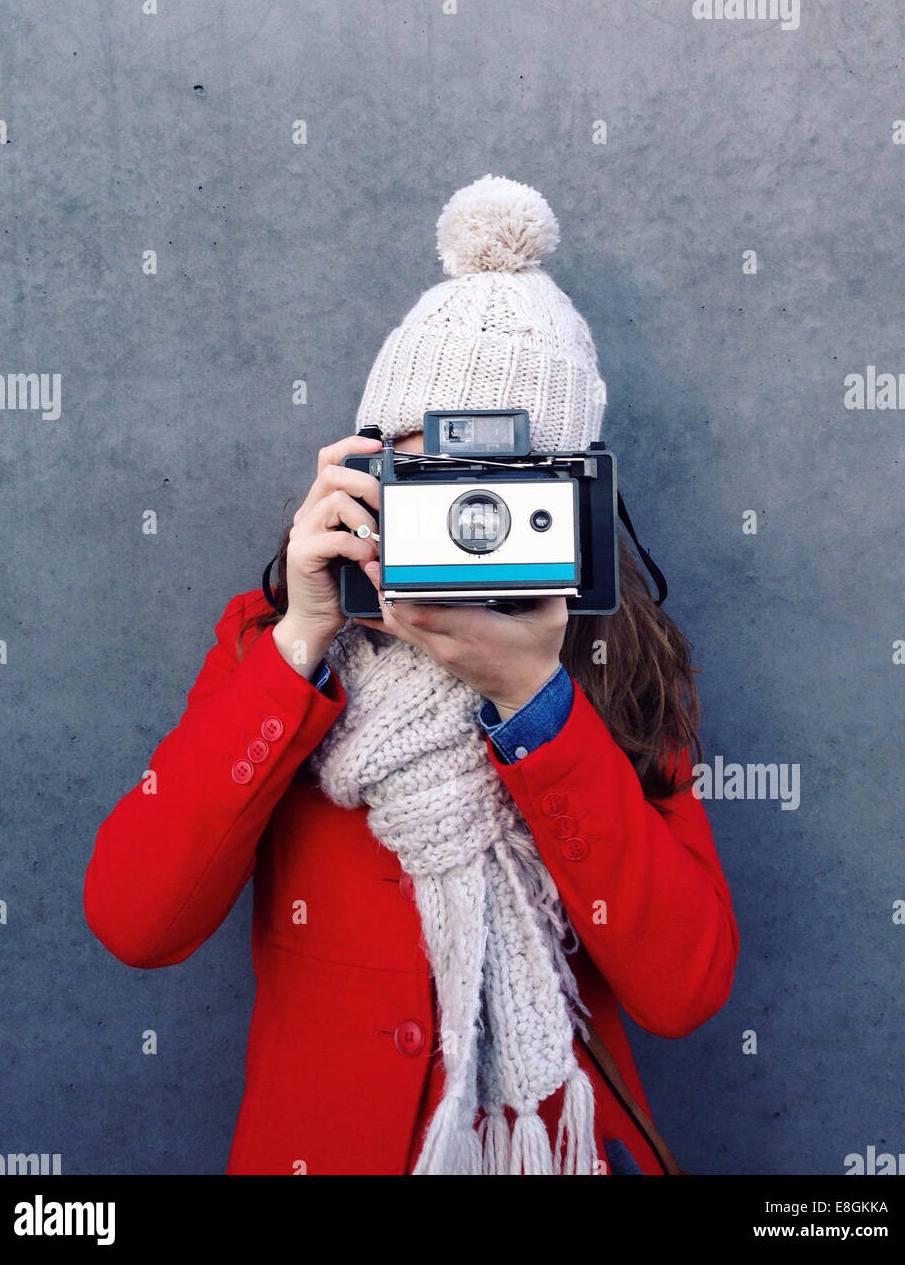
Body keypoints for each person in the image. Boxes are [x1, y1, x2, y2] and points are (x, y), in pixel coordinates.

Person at [83, 174, 738, 1175]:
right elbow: (136, 921)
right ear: (363, 471)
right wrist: (298, 641)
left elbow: (682, 988)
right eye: (430, 483)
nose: (466, 526)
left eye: (500, 492)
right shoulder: (275, 646)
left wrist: (536, 703)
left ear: (570, 498)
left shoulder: (619, 665)